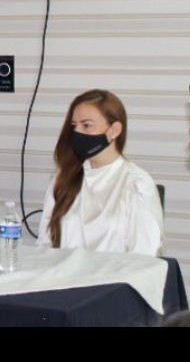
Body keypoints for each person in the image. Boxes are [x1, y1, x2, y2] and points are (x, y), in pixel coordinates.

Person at [37, 90, 164, 256]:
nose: (77, 133)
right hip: (63, 272)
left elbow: (145, 257)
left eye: (87, 126)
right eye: (74, 126)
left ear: (114, 130)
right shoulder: (64, 178)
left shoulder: (136, 184)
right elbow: (45, 244)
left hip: (116, 273)